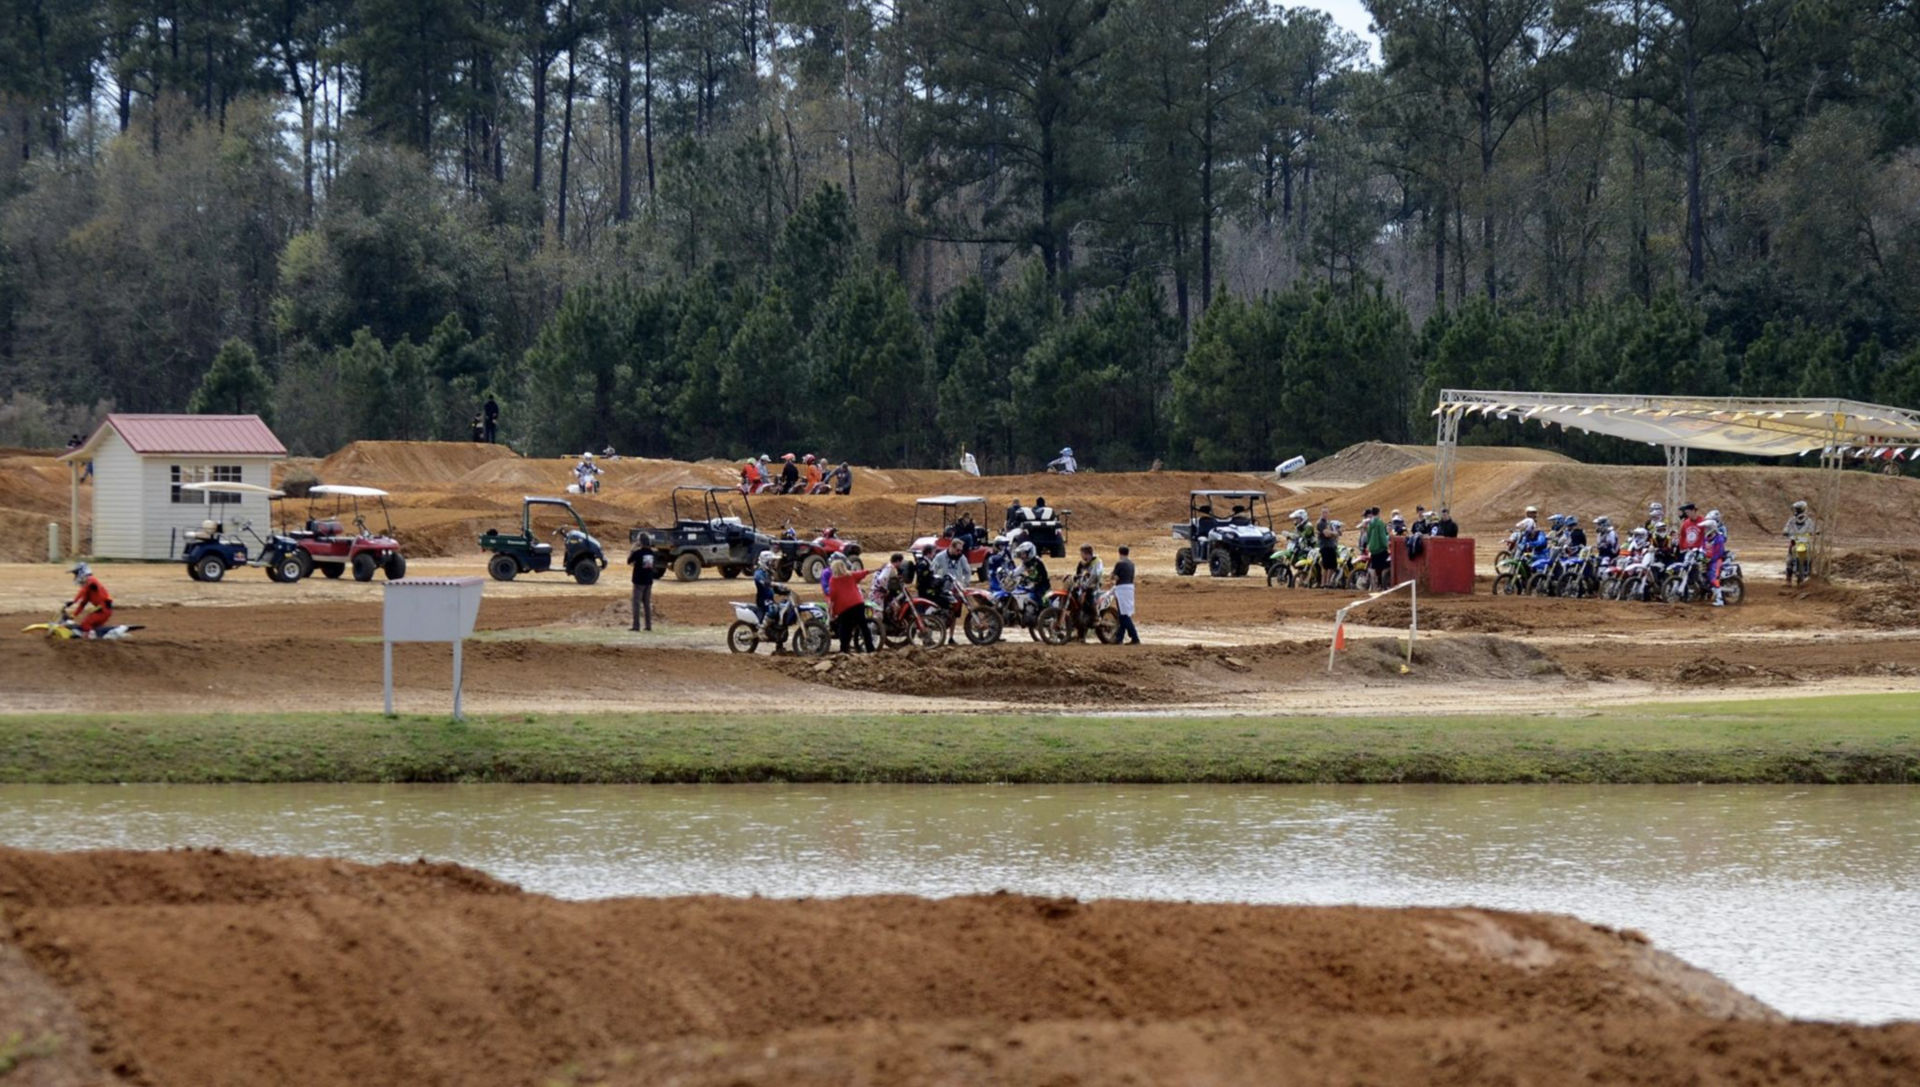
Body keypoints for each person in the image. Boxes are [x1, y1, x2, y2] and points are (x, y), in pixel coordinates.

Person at [826, 556, 875, 652]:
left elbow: (833, 596)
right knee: (864, 627)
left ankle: (844, 650)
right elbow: (863, 573)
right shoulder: (851, 575)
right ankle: (870, 649)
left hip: (844, 608)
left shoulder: (833, 580)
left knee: (845, 629)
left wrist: (831, 609)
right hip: (858, 603)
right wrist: (876, 569)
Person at [67, 562, 113, 638]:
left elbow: (84, 589)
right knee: (93, 628)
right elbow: (82, 604)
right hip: (102, 609)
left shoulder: (91, 580)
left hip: (103, 609)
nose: (75, 577)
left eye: (76, 574)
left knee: (85, 624)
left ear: (82, 572)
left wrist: (74, 601)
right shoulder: (88, 588)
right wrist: (72, 616)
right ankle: (96, 638)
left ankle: (88, 640)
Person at [627, 535, 658, 631]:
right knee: (647, 604)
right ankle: (648, 626)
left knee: (636, 604)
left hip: (639, 581)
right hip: (648, 581)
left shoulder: (638, 553)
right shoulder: (652, 553)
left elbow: (629, 561)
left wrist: (632, 549)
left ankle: (636, 626)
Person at [1111, 545, 1140, 644]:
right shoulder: (1132, 564)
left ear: (1119, 553)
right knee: (1124, 614)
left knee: (1123, 615)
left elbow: (1114, 576)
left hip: (1122, 589)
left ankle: (1134, 637)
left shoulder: (1120, 563)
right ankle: (1119, 638)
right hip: (1130, 588)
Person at [1361, 506, 1391, 589]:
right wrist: (1386, 545)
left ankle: (1375, 584)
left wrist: (1369, 545)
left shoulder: (1370, 523)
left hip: (1373, 549)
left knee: (1374, 567)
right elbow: (1382, 536)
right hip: (1381, 548)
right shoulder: (1380, 523)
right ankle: (1382, 584)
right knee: (1386, 567)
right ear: (1378, 513)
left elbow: (1368, 536)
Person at [1703, 517, 1729, 606]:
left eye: (1707, 528)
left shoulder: (1719, 538)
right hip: (1707, 560)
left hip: (1717, 560)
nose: (1705, 530)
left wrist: (1711, 559)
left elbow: (1719, 552)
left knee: (1713, 577)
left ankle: (1720, 599)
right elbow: (1702, 548)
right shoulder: (1706, 538)